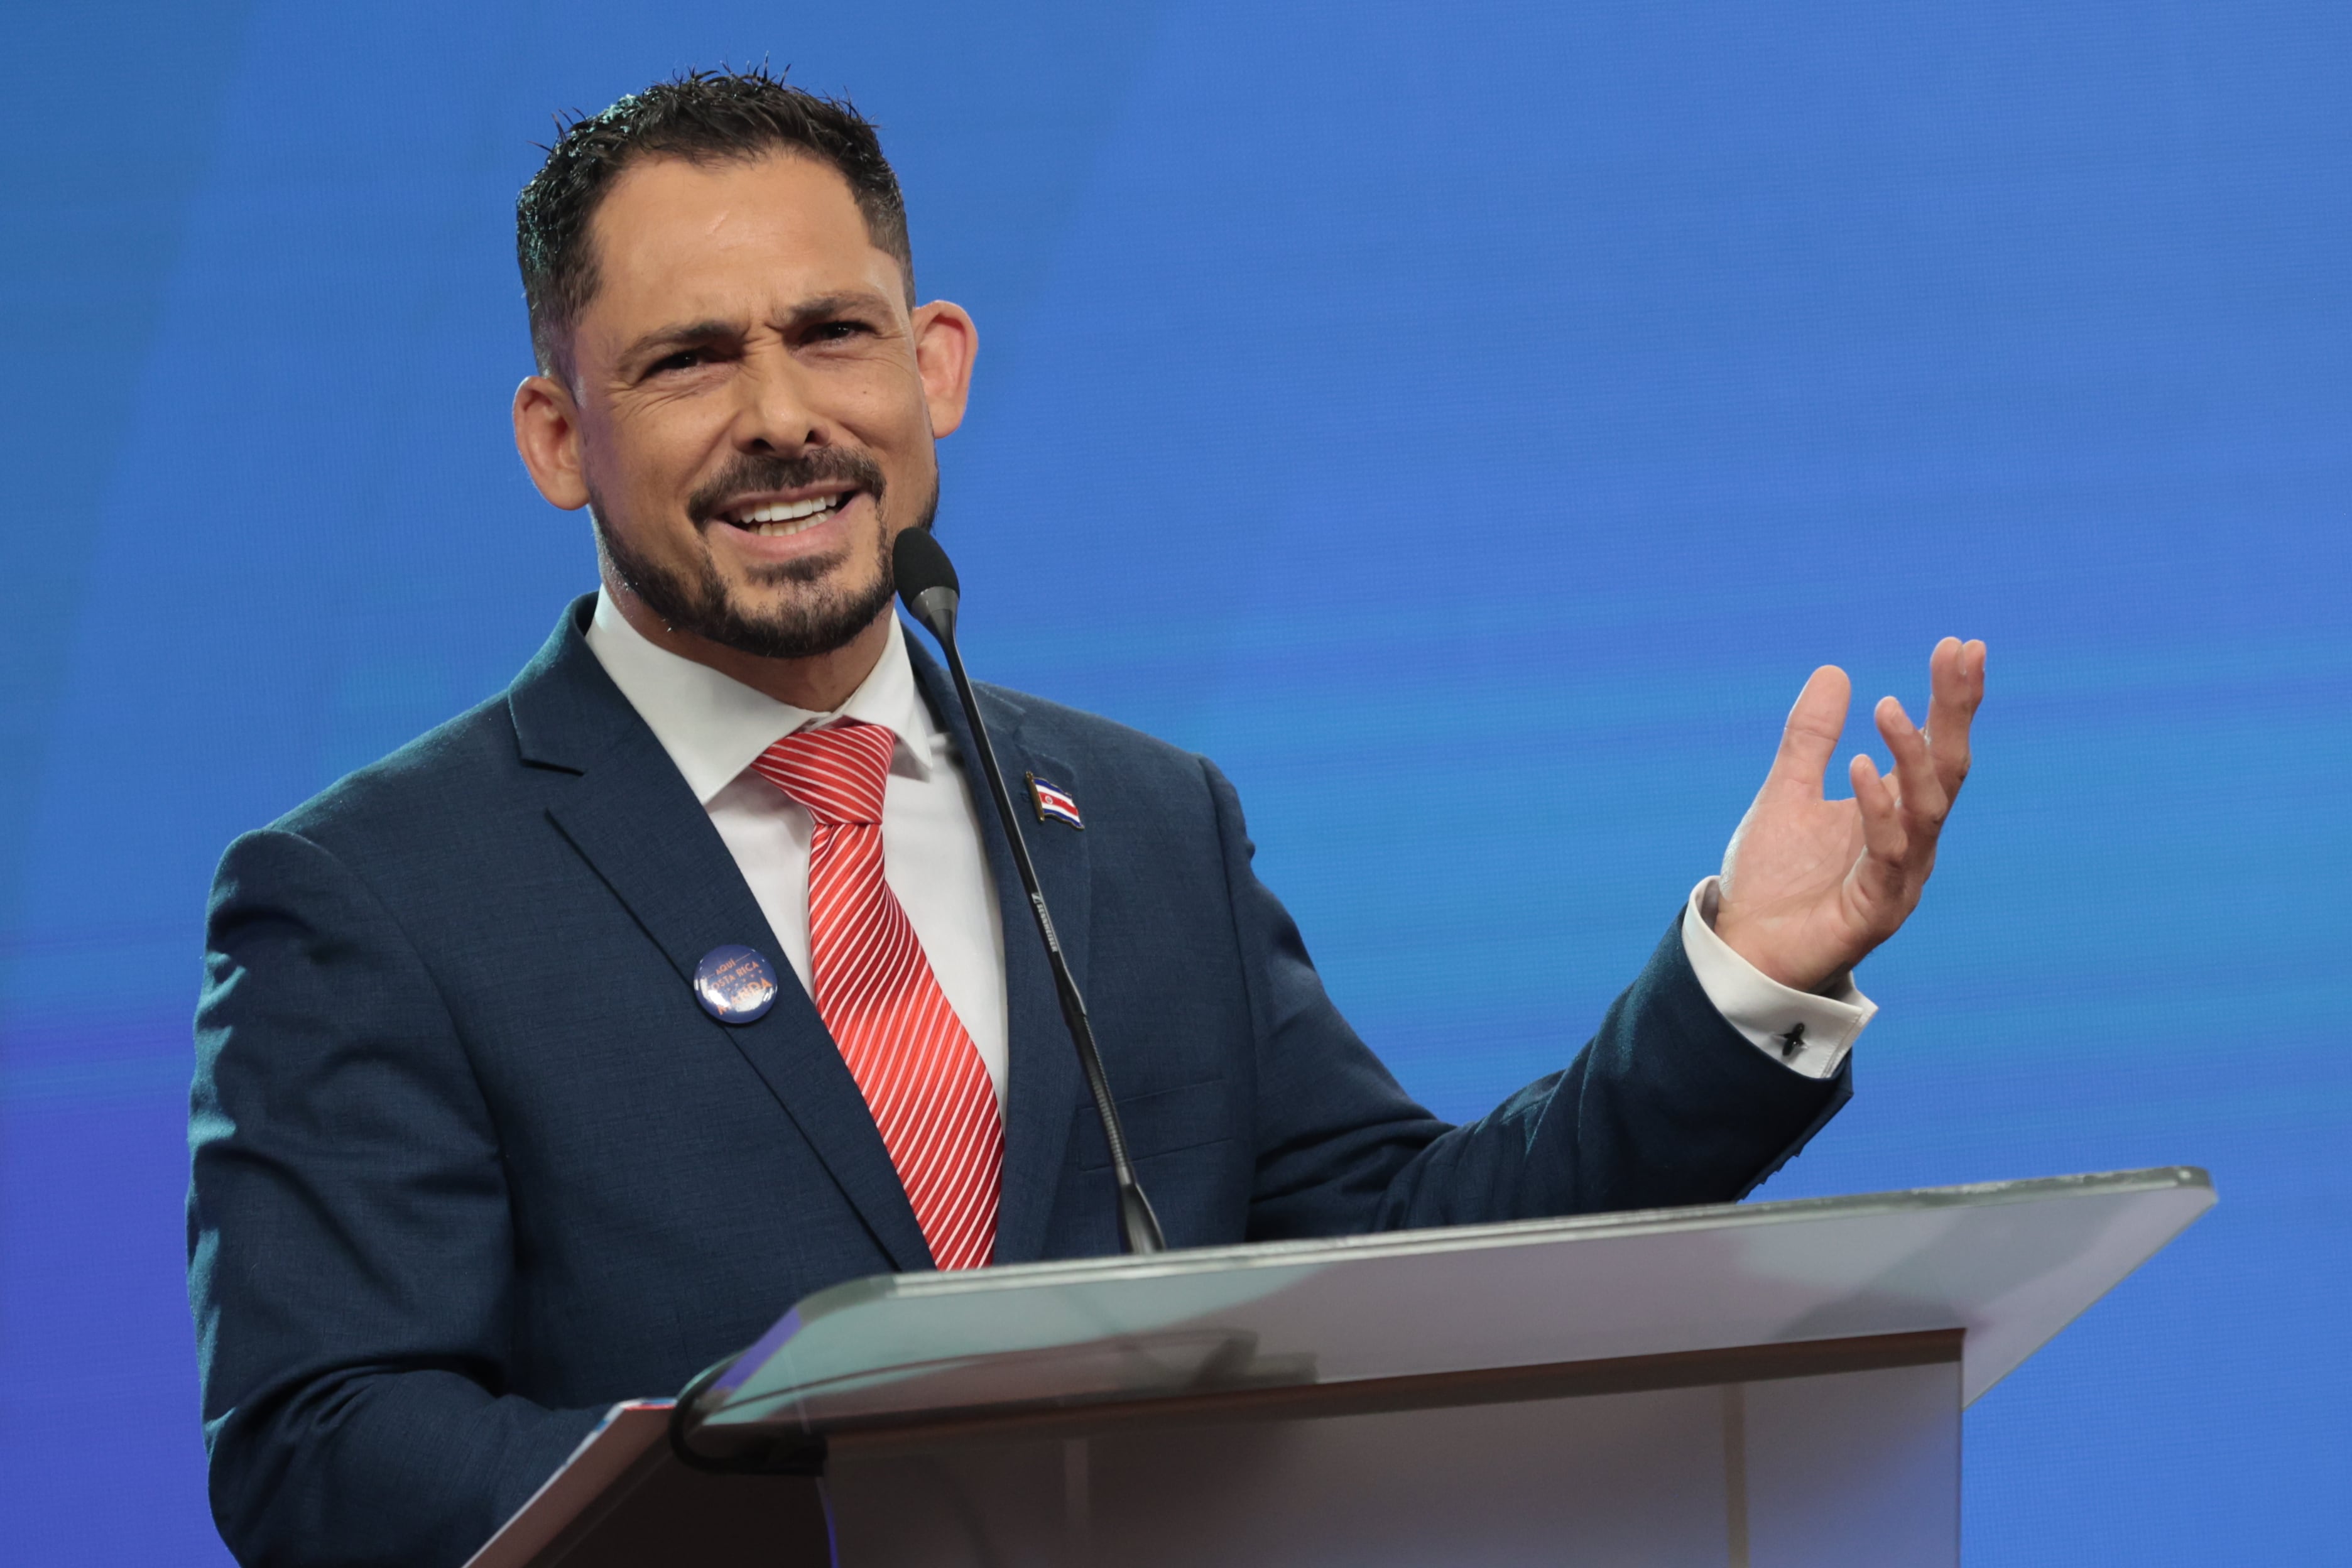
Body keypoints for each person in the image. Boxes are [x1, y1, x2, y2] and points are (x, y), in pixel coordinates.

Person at [186, 67, 1984, 1568]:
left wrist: (1738, 989)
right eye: (687, 361)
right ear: (557, 435)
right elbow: (328, 1448)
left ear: (937, 364)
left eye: (833, 335)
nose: (784, 417)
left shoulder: (1140, 819)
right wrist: (834, 1501)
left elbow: (1392, 1259)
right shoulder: (374, 892)